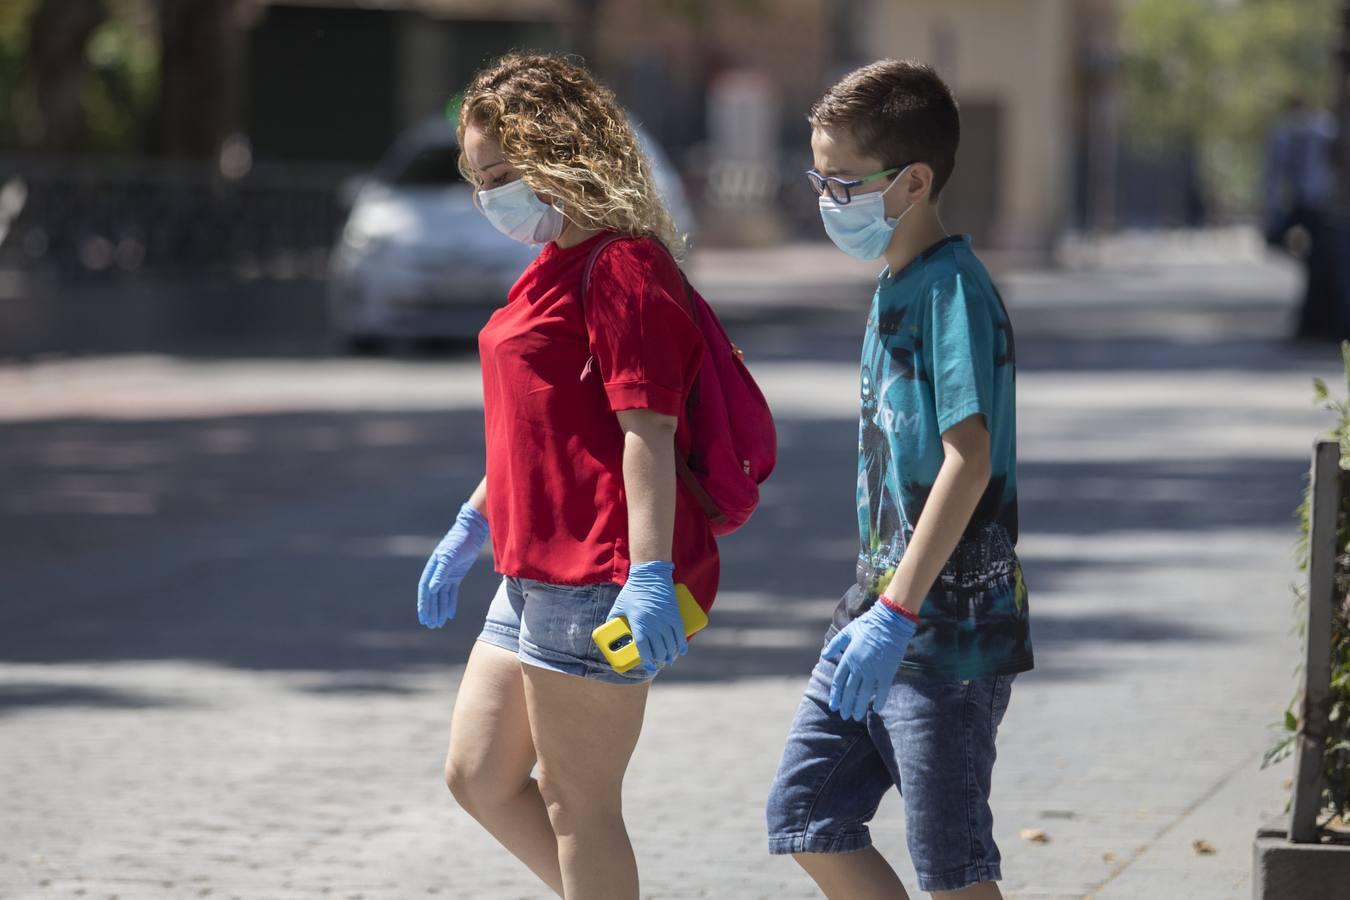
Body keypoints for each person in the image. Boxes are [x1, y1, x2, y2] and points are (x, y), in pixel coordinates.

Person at [415, 53, 717, 900]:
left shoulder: (623, 267)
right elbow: (538, 428)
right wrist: (473, 522)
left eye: (503, 174)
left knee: (578, 807)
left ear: (565, 149)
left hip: (598, 576)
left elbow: (646, 433)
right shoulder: (550, 262)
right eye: (478, 179)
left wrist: (650, 575)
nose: (490, 199)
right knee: (477, 774)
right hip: (528, 568)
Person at [765, 59, 1033, 899]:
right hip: (878, 610)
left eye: (842, 180)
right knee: (806, 813)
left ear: (913, 181)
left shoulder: (951, 290)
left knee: (953, 868)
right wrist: (875, 612)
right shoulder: (896, 284)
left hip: (944, 630)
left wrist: (897, 613)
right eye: (819, 176)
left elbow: (969, 457)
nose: (825, 198)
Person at [1262, 95, 1340, 340]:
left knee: (1321, 263)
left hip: (1321, 204)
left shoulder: (1325, 129)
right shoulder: (1285, 133)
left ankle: (1316, 319)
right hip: (1302, 205)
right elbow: (1274, 175)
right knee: (1315, 261)